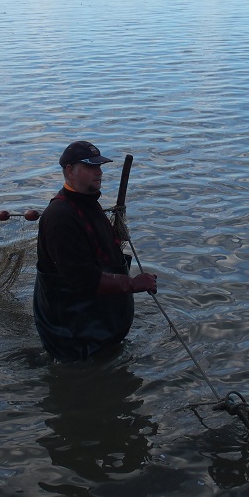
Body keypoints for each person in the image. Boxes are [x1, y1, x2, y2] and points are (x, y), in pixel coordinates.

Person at [33, 141, 157, 362]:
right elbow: (83, 279)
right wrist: (132, 284)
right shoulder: (59, 217)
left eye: (99, 166)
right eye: (90, 167)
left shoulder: (89, 203)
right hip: (75, 337)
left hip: (101, 329)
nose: (99, 172)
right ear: (70, 170)